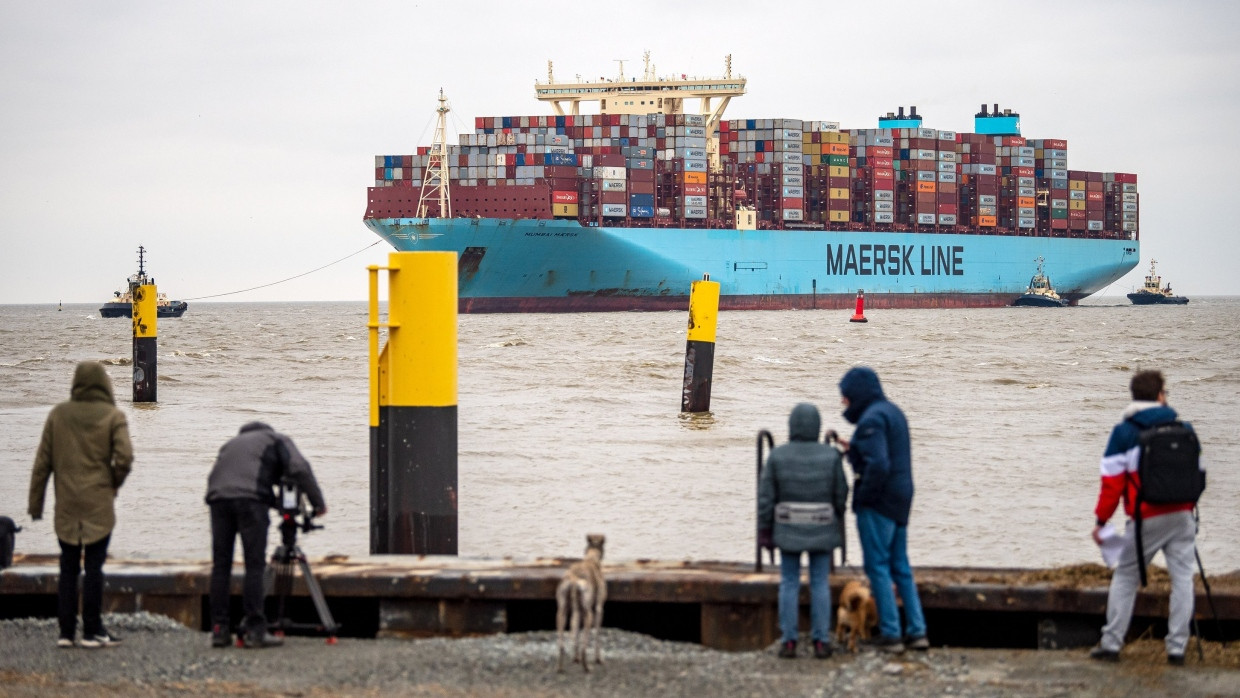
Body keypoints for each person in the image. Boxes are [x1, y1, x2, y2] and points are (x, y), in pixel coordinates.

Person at [1090, 370, 1203, 665]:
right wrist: (1187, 506)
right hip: (1182, 515)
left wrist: (1101, 522)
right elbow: (1199, 474)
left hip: (1145, 517)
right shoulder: (1185, 428)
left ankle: (1112, 644)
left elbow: (1111, 484)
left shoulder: (1125, 433)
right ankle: (1176, 649)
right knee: (1182, 580)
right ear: (1160, 395)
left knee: (1126, 577)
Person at [28, 361, 134, 649]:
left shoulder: (58, 415)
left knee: (68, 567)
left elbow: (42, 464)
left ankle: (65, 632)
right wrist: (113, 482)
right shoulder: (113, 416)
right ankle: (92, 630)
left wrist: (35, 505)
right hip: (99, 503)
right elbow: (125, 458)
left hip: (66, 505)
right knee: (94, 568)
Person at [206, 422, 326, 649]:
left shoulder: (230, 445)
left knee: (221, 566)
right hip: (250, 502)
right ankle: (255, 631)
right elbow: (299, 469)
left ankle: (219, 630)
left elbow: (239, 479)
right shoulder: (277, 439)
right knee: (254, 565)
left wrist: (272, 502)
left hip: (217, 499)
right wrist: (318, 505)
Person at [837, 366, 927, 654]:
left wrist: (864, 497)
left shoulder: (871, 419)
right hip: (902, 498)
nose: (844, 403)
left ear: (858, 394)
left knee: (877, 566)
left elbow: (878, 464)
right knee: (900, 566)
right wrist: (854, 449)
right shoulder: (892, 412)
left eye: (846, 397)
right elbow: (883, 453)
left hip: (880, 502)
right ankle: (917, 631)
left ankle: (891, 634)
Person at [758, 403, 848, 659]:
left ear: (791, 426)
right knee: (820, 582)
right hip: (822, 525)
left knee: (789, 582)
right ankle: (821, 641)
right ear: (817, 427)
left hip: (787, 527)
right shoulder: (830, 456)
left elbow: (766, 497)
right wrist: (836, 515)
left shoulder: (777, 456)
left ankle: (789, 641)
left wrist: (765, 530)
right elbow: (841, 493)